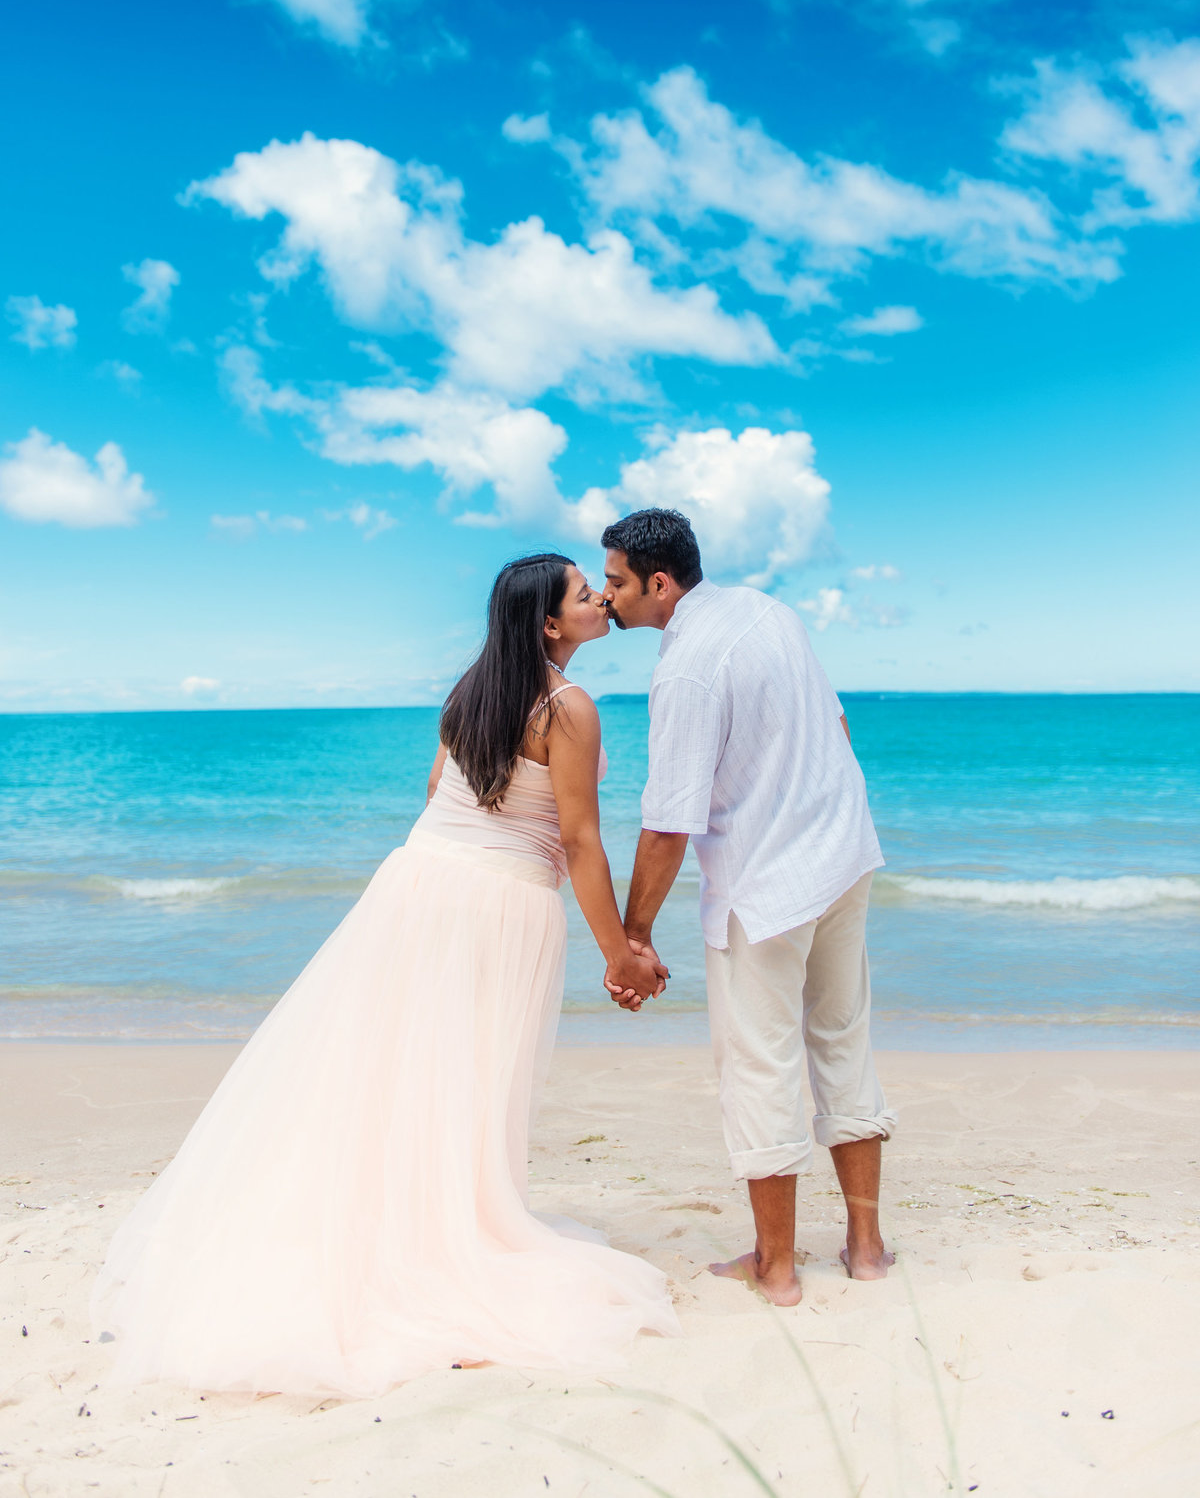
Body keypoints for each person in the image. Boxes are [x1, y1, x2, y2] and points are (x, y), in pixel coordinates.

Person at [93, 554, 677, 1395]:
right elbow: (579, 841)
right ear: (551, 625)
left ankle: (402, 1223)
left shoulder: (469, 691)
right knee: (470, 1076)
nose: (598, 603)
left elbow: (441, 787)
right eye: (586, 595)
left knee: (395, 1066)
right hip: (497, 904)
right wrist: (618, 952)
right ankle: (442, 1243)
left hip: (416, 883)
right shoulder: (569, 706)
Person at [600, 509, 896, 1307]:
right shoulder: (771, 610)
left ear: (660, 584)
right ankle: (867, 1249)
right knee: (843, 1040)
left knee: (760, 1066)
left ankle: (777, 1266)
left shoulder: (686, 667)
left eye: (618, 581)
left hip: (767, 886)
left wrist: (633, 934)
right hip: (842, 856)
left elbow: (668, 822)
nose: (608, 595)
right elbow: (835, 722)